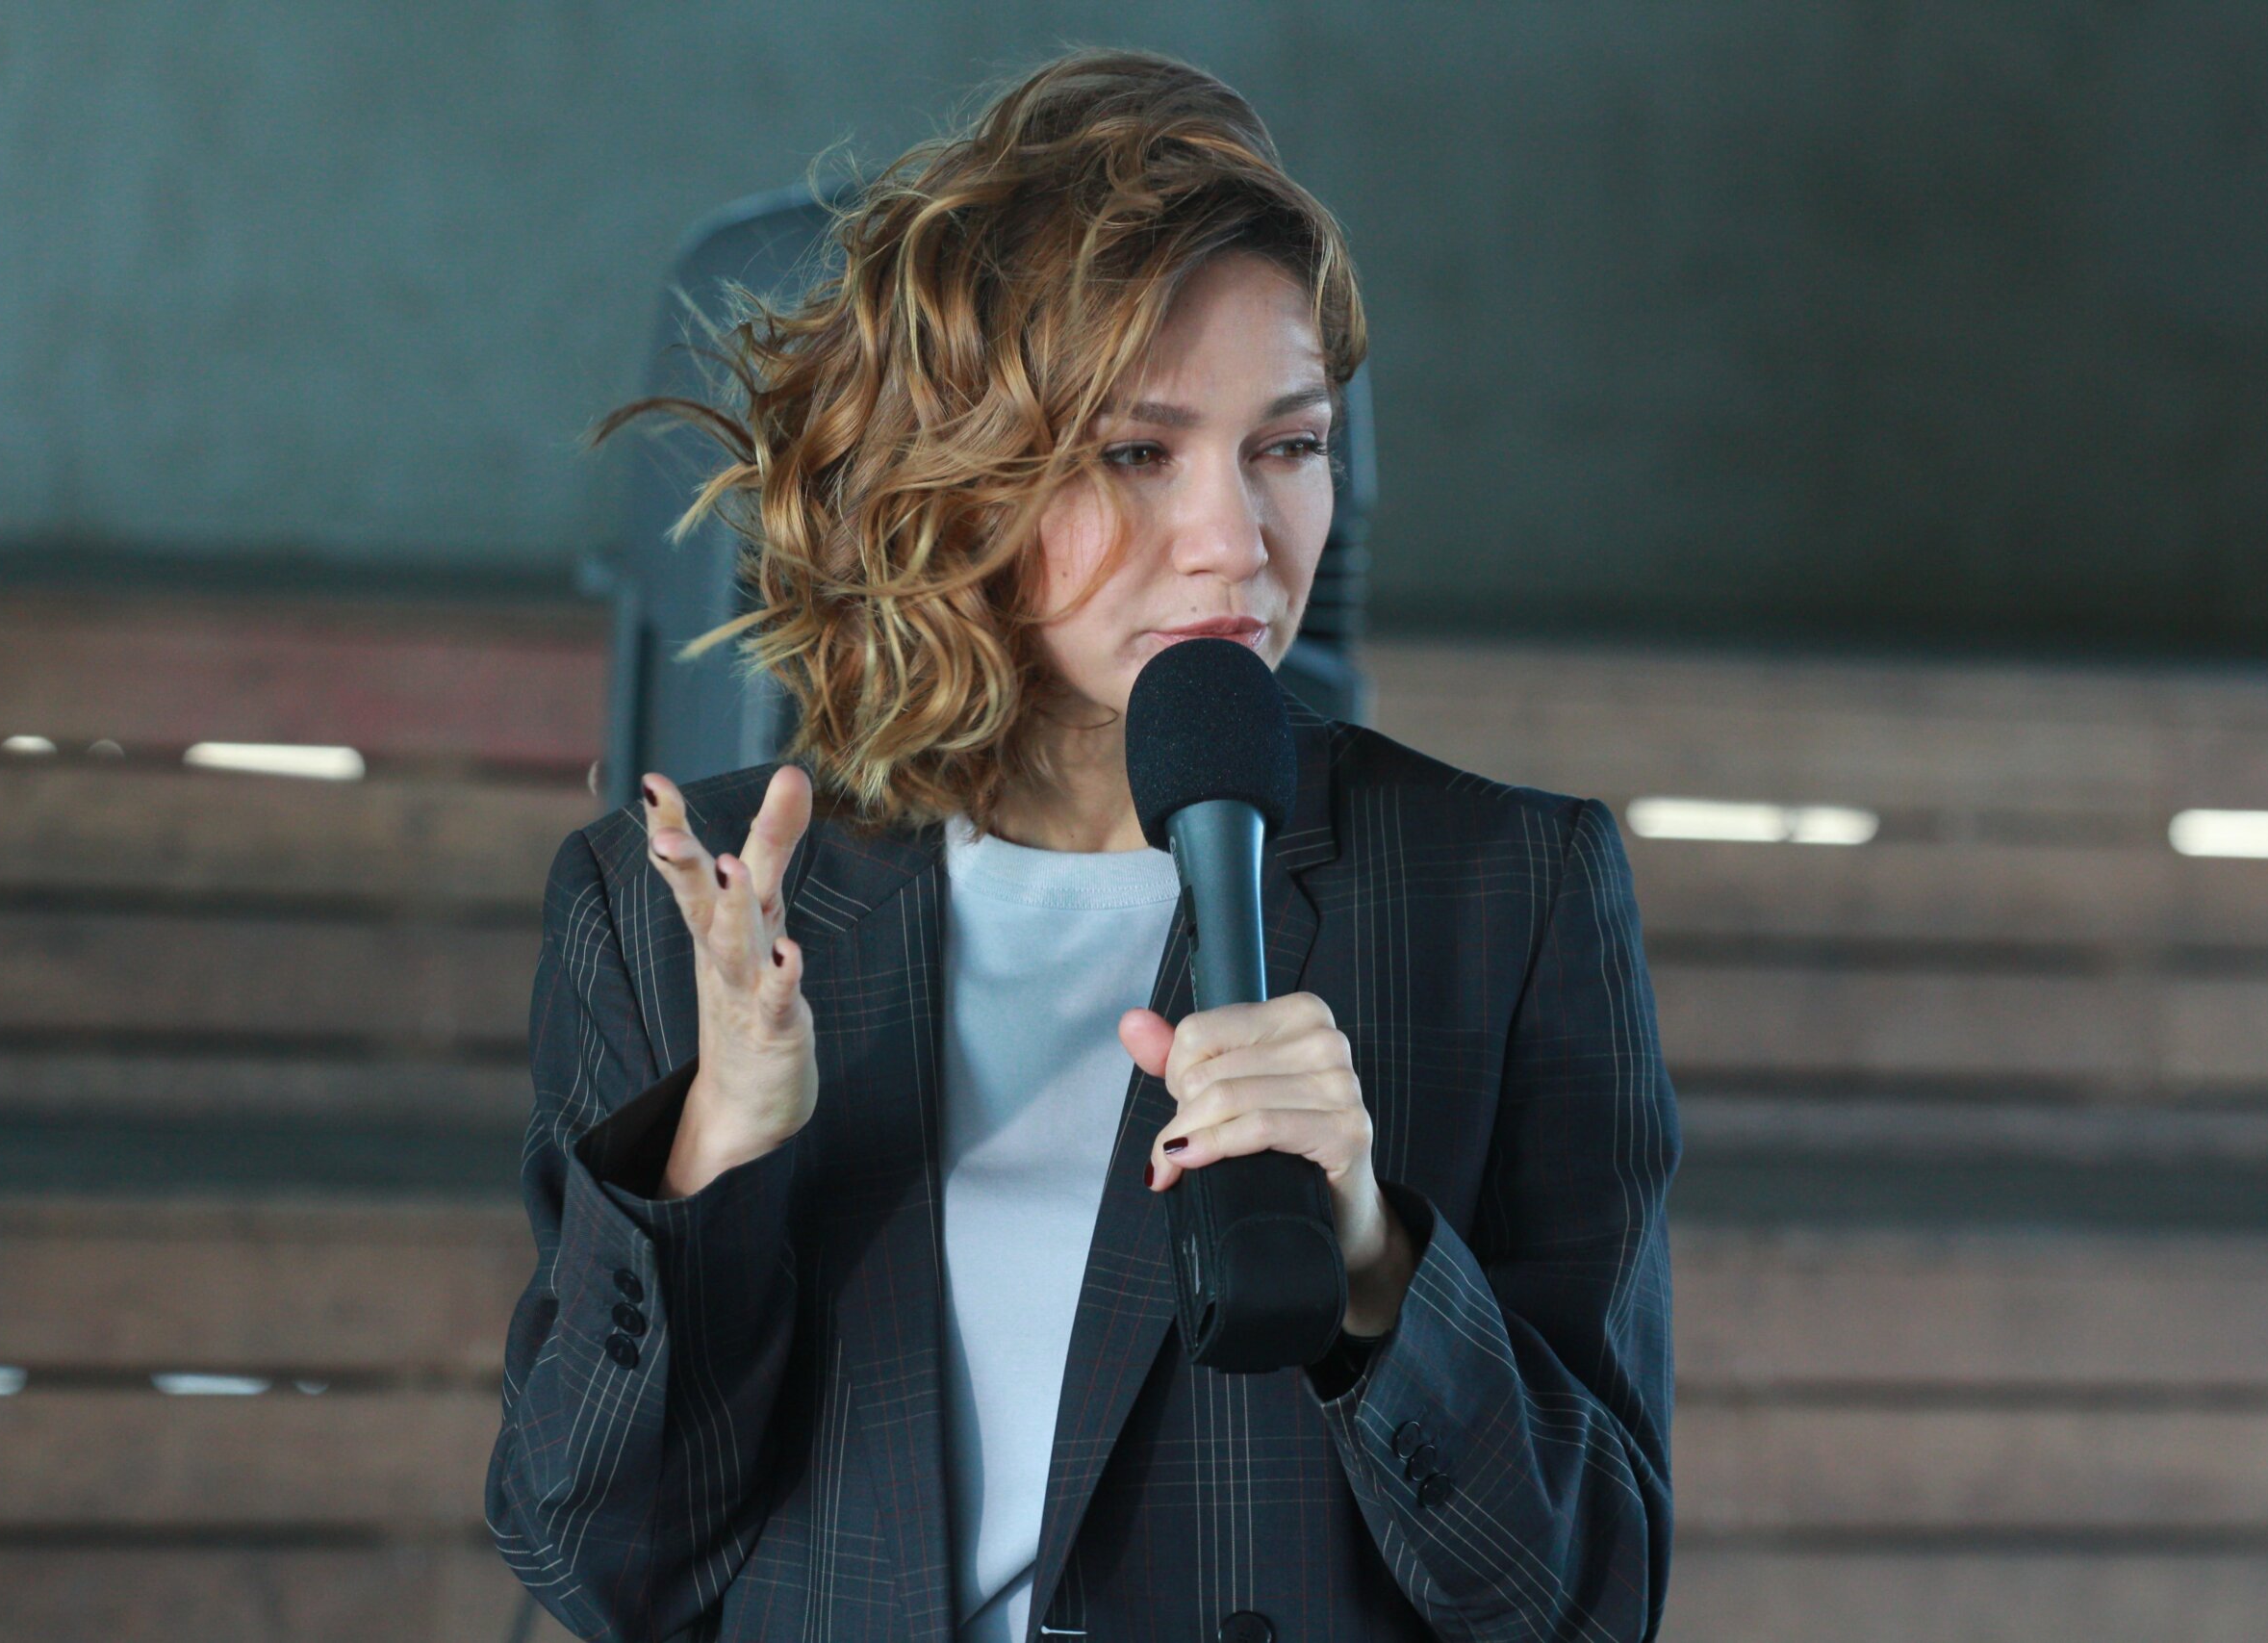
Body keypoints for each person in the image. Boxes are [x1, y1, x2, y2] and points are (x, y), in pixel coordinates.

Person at [486, 46, 1679, 1643]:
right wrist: (716, 1149)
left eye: (1288, 445)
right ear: (966, 477)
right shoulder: (694, 910)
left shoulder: (1502, 893)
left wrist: (1373, 1256)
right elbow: (592, 1566)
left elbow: (1586, 1599)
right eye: (1136, 452)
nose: (1236, 542)